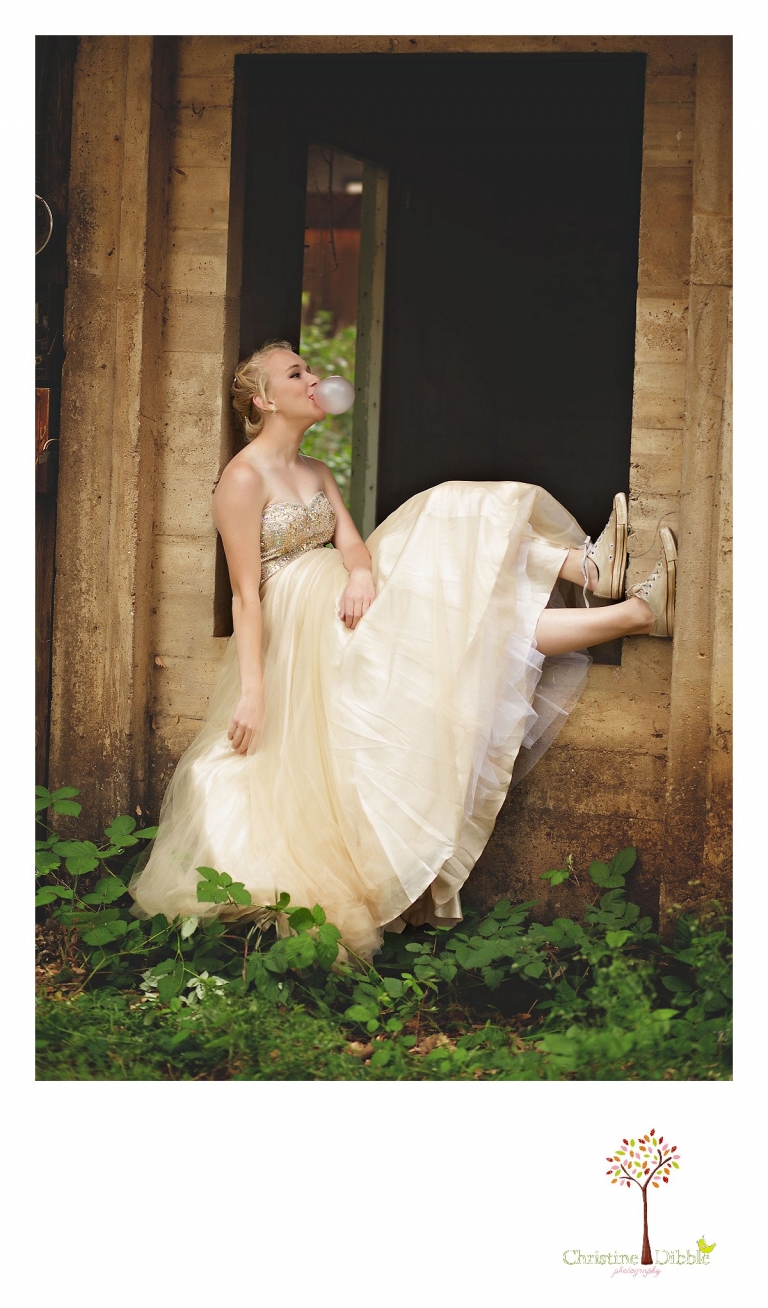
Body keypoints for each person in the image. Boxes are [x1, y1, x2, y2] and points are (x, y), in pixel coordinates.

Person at [129, 341, 676, 960]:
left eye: (308, 369)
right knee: (453, 559)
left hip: (344, 594)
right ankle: (611, 590)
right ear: (262, 399)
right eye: (296, 373)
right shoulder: (241, 478)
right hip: (301, 619)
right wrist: (253, 690)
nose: (314, 380)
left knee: (457, 549)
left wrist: (360, 573)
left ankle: (620, 598)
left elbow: (353, 544)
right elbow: (245, 597)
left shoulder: (315, 470)